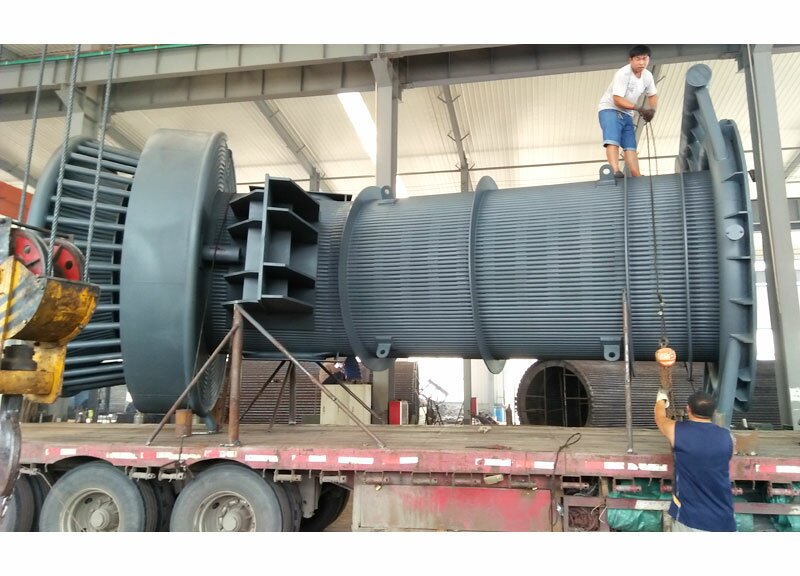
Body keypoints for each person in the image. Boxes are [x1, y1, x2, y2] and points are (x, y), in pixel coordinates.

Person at [654, 389, 736, 532]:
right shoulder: (727, 437)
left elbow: (660, 418)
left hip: (690, 519)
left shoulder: (677, 431)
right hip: (724, 519)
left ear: (688, 409)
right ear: (713, 412)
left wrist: (661, 399)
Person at [598, 45, 659, 178]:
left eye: (644, 59)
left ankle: (636, 175)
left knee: (630, 145)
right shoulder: (623, 74)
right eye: (638, 59)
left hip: (627, 113)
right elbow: (617, 99)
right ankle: (615, 170)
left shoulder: (647, 76)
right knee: (612, 140)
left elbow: (653, 95)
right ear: (630, 60)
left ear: (648, 59)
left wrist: (652, 110)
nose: (641, 62)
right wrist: (639, 108)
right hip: (609, 109)